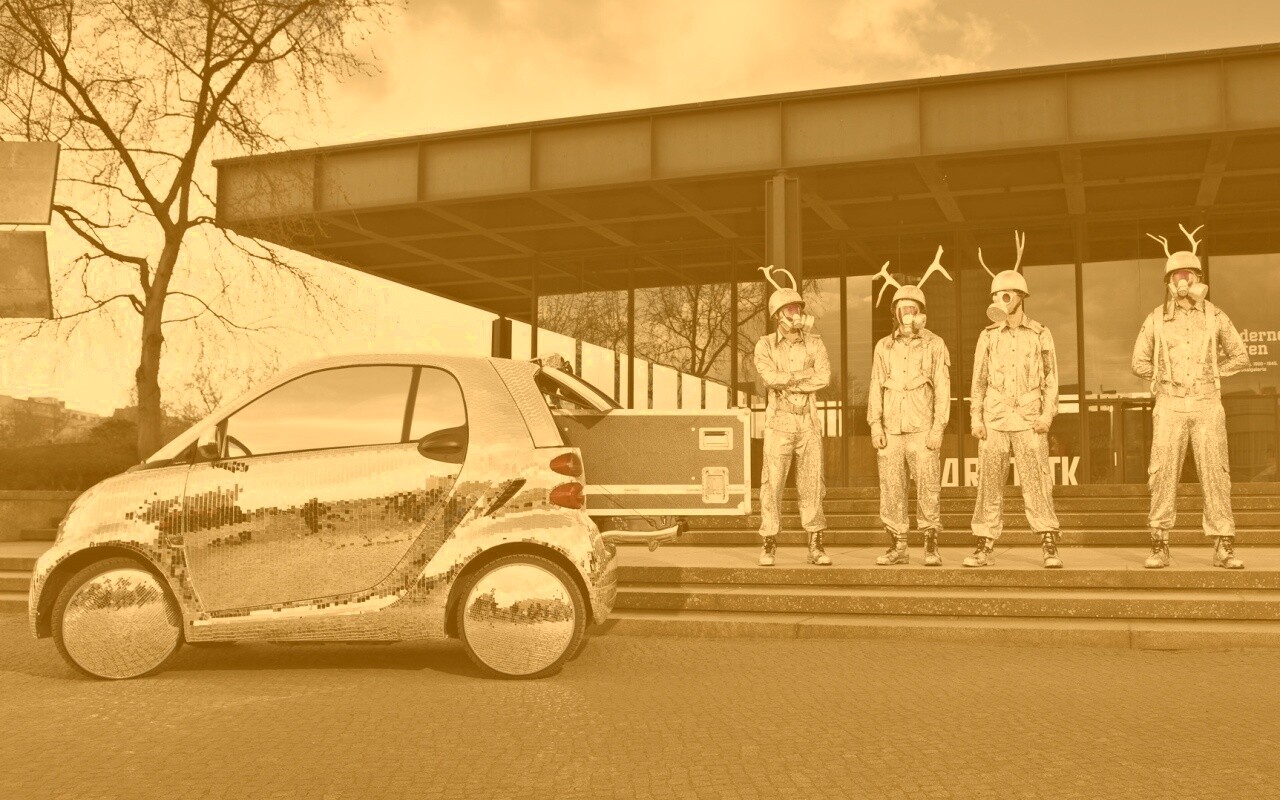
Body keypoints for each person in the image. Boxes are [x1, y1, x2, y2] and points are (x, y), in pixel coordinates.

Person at [1132, 224, 1251, 569]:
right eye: (1177, 275)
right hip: (1169, 404)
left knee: (1215, 473)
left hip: (1206, 403)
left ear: (1198, 278)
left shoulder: (1215, 316)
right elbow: (1138, 361)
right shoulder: (1156, 319)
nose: (1183, 280)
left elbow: (1240, 355)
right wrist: (1160, 376)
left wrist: (1215, 372)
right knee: (1162, 473)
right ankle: (1159, 544)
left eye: (1188, 274)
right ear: (1169, 281)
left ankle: (1223, 545)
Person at [966, 231, 1064, 569]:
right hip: (995, 419)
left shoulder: (1040, 333)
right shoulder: (987, 336)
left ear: (1021, 296)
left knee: (1037, 480)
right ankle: (984, 544)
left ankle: (1048, 541)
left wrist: (1047, 416)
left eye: (1007, 294)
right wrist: (976, 418)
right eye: (997, 295)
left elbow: (1051, 379)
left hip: (1029, 419)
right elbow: (978, 380)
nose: (1002, 299)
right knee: (989, 483)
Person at [868, 247, 953, 566]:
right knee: (891, 489)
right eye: (902, 309)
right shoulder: (884, 346)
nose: (907, 315)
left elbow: (943, 388)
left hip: (922, 431)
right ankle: (898, 546)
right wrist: (875, 424)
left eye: (912, 309)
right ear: (895, 313)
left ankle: (930, 545)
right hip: (891, 431)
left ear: (921, 312)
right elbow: (875, 385)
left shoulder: (935, 344)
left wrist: (938, 428)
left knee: (928, 488)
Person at [754, 265, 832, 567]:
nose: (796, 314)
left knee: (812, 483)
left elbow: (824, 377)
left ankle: (816, 544)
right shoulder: (765, 345)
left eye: (798, 308)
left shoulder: (815, 342)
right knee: (772, 483)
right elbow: (769, 378)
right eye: (790, 309)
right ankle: (769, 542)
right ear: (778, 315)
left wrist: (789, 379)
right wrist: (802, 376)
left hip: (808, 422)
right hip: (779, 423)